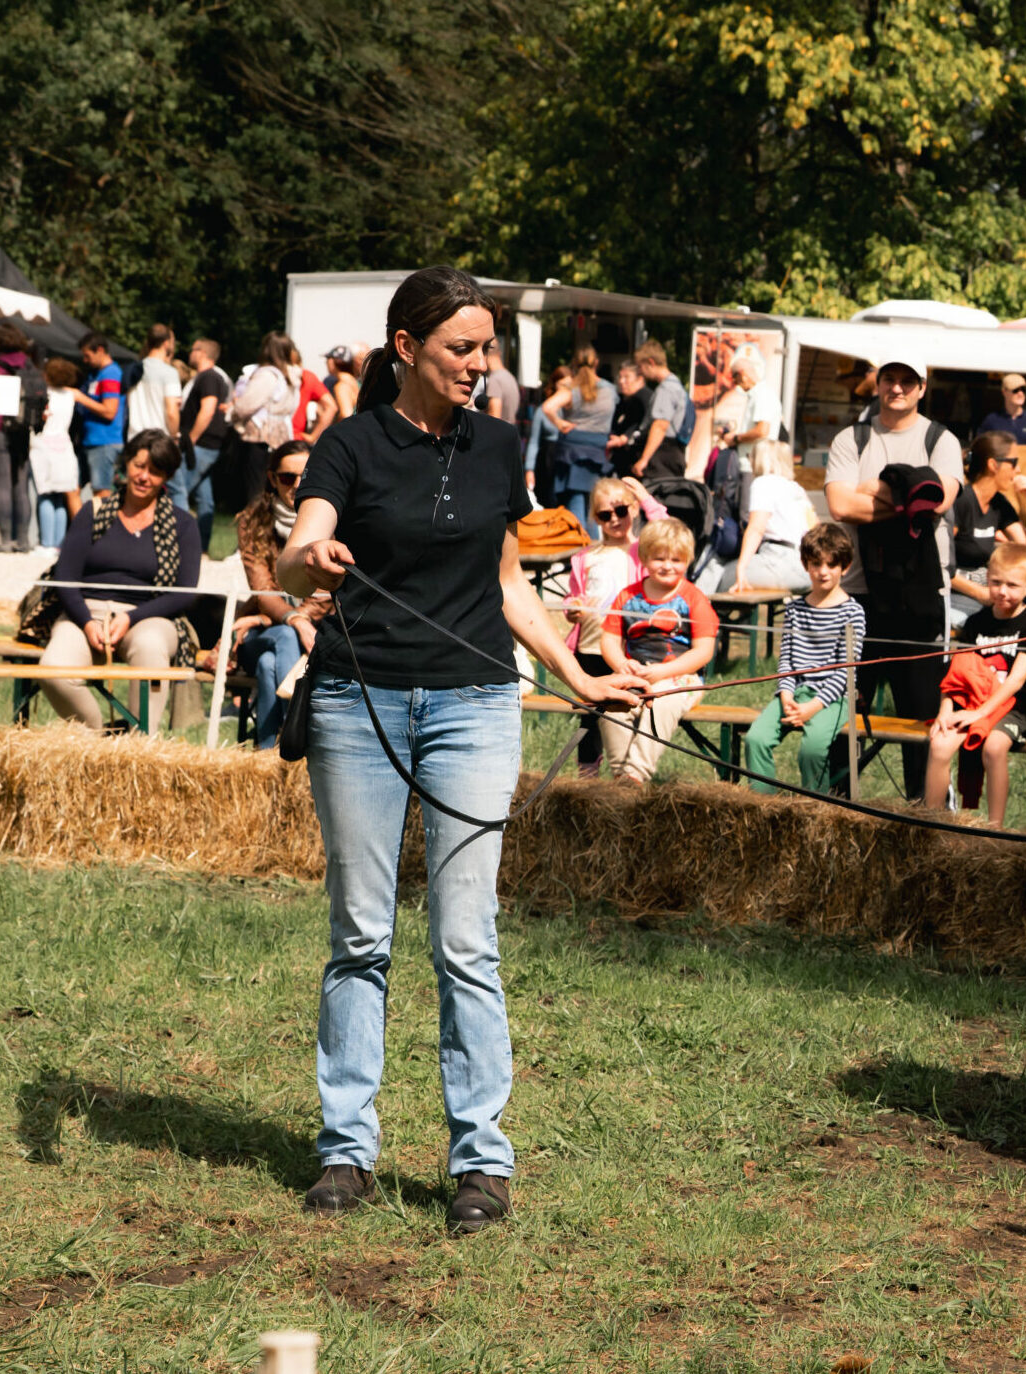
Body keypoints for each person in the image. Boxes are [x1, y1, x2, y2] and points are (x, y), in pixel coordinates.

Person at [277, 266, 636, 1229]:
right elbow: (297, 543)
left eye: (487, 349)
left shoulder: (501, 443)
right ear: (407, 348)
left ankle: (480, 1160)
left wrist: (578, 675)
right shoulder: (349, 444)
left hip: (476, 707)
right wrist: (306, 555)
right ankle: (346, 1151)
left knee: (465, 938)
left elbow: (509, 581)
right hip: (359, 707)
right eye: (462, 349)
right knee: (361, 935)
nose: (481, 366)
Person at [822, 350, 964, 800]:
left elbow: (938, 502)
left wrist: (873, 490)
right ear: (877, 383)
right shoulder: (853, 438)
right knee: (843, 708)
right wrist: (908, 499)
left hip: (921, 597)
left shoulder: (941, 439)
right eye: (889, 378)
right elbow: (841, 507)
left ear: (922, 388)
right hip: (858, 592)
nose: (897, 387)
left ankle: (923, 813)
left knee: (921, 713)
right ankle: (839, 807)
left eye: (907, 380)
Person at [37, 431, 203, 732]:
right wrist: (86, 621)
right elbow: (66, 577)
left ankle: (138, 741)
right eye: (139, 466)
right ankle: (99, 737)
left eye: (155, 471)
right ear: (126, 464)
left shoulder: (183, 524)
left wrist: (131, 617)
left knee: (151, 649)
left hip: (150, 615)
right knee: (53, 669)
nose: (144, 476)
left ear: (166, 476)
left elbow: (184, 593)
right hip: (85, 613)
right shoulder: (93, 511)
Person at [925, 543, 1026, 824]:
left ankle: (994, 830)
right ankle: (929, 825)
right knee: (940, 743)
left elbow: (1016, 681)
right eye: (996, 582)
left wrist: (979, 714)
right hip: (974, 703)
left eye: (1012, 585)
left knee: (993, 747)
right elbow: (956, 675)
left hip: (1014, 708)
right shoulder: (975, 623)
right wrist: (945, 711)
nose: (1002, 591)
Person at [743, 523, 866, 795]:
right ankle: (763, 807)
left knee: (810, 751)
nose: (823, 572)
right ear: (805, 564)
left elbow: (847, 672)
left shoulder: (853, 612)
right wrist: (786, 694)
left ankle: (814, 810)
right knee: (756, 739)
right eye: (816, 564)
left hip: (833, 698)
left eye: (831, 565)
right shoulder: (795, 608)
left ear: (844, 567)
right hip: (794, 692)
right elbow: (786, 657)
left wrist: (813, 706)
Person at [562, 475, 666, 778]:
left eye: (621, 510)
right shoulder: (585, 557)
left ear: (633, 509)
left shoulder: (643, 551)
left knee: (629, 709)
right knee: (591, 715)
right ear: (595, 517)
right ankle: (588, 776)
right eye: (605, 515)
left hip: (627, 647)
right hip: (590, 646)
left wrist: (645, 497)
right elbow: (574, 594)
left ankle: (628, 771)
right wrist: (573, 608)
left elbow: (664, 528)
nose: (615, 520)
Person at [599, 517, 717, 783]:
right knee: (611, 707)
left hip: (678, 677)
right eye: (659, 558)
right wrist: (620, 665)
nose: (667, 566)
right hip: (633, 675)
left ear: (687, 561)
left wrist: (664, 671)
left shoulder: (693, 598)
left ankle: (635, 775)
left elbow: (703, 651)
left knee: (661, 704)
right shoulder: (627, 596)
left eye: (676, 560)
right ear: (644, 558)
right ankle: (620, 775)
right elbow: (608, 639)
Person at [228, 441, 327, 747]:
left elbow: (324, 593)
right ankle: (300, 739)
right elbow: (262, 590)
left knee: (269, 665)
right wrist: (295, 619)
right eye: (287, 478)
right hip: (270, 631)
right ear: (272, 479)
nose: (297, 485)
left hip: (308, 632)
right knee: (284, 638)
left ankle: (269, 751)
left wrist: (280, 617)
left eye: (305, 475)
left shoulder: (330, 519)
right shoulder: (251, 521)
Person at [947, 432, 1026, 625]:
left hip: (987, 594)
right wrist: (980, 593)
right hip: (958, 596)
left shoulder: (998, 504)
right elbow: (938, 564)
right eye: (1014, 462)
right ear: (993, 465)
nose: (1018, 470)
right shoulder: (962, 501)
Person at [697, 439, 817, 595]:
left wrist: (742, 567)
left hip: (777, 561)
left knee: (715, 571)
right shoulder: (797, 489)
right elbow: (816, 528)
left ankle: (690, 614)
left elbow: (756, 529)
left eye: (751, 456)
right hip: (805, 568)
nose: (749, 461)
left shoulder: (763, 483)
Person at [539, 345, 618, 535]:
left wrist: (560, 423)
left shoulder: (571, 389)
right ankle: (591, 547)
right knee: (594, 504)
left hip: (571, 451)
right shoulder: (610, 390)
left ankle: (579, 548)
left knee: (574, 502)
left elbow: (548, 407)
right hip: (597, 451)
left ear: (574, 364)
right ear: (596, 363)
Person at [229, 331, 300, 511]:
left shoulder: (268, 375)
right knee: (270, 491)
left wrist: (234, 408)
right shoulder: (291, 376)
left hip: (260, 439)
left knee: (255, 492)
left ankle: (253, 530)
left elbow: (246, 405)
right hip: (280, 438)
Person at [0, 322, 39, 552]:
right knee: (21, 487)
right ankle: (24, 541)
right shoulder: (29, 364)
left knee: (3, 485)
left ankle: (6, 540)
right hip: (23, 431)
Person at [178, 337, 230, 551]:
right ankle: (201, 547)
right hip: (209, 445)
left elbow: (208, 409)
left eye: (193, 349)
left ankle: (181, 546)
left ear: (202, 353)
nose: (190, 353)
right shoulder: (211, 377)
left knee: (178, 492)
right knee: (204, 498)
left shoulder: (208, 376)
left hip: (201, 445)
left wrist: (190, 439)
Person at [29, 359, 81, 547]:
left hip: (43, 446)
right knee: (60, 496)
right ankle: (59, 543)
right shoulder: (71, 395)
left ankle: (46, 542)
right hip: (64, 446)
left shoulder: (44, 394)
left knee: (45, 494)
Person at [632, 340, 692, 480]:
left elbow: (660, 425)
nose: (640, 371)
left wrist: (644, 459)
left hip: (662, 455)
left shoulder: (666, 389)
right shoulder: (676, 384)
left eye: (641, 366)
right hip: (672, 453)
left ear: (651, 362)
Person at [77, 332, 127, 497]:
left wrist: (80, 398)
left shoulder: (111, 374)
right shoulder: (97, 374)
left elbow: (110, 411)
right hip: (92, 441)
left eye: (87, 355)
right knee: (73, 488)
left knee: (101, 491)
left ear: (100, 350)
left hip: (104, 442)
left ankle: (103, 522)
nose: (85, 360)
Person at [714, 354, 777, 467]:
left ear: (742, 374)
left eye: (735, 377)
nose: (735, 383)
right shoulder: (756, 394)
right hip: (751, 461)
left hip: (755, 464)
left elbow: (762, 431)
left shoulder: (762, 394)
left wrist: (737, 438)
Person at [125, 325, 183, 439]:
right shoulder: (169, 373)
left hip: (134, 438)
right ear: (166, 343)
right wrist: (175, 436)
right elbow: (171, 412)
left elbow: (127, 402)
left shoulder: (132, 369)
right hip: (158, 440)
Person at [525, 364, 571, 495]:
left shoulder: (574, 410)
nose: (565, 390)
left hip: (568, 457)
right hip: (547, 459)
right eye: (562, 385)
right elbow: (534, 442)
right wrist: (529, 469)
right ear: (555, 385)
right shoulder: (543, 410)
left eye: (569, 386)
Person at [605, 360, 649, 475]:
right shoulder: (624, 400)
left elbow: (641, 424)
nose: (621, 381)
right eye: (620, 377)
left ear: (640, 379)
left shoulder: (642, 398)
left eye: (626, 377)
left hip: (634, 461)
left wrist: (623, 438)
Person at [980, 374, 1026, 445]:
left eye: (1023, 390)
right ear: (1004, 392)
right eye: (1016, 390)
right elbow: (981, 447)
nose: (1020, 393)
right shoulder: (991, 420)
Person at [479, 340, 519, 423]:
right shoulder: (510, 377)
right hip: (508, 432)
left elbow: (494, 417)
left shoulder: (495, 380)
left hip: (496, 434)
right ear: (499, 353)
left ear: (484, 355)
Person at [325, 344, 364, 422]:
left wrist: (332, 429)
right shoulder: (355, 382)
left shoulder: (342, 386)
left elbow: (346, 414)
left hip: (351, 431)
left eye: (328, 359)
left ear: (332, 362)